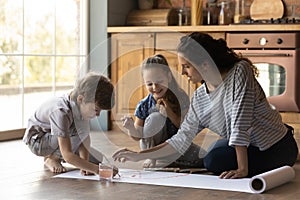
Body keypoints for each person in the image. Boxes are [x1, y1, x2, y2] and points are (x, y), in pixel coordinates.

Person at [113, 32, 299, 178]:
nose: (183, 72)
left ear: (204, 63)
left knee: (214, 160)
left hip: (276, 145)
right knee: (211, 157)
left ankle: (284, 158)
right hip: (248, 145)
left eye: (186, 66)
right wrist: (139, 155)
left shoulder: (239, 72)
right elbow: (181, 138)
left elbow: (240, 121)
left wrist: (242, 169)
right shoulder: (200, 97)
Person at [23, 72, 117, 176]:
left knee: (97, 160)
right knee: (75, 132)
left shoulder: (81, 106)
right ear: (81, 99)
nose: (98, 115)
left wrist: (85, 165)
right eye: (96, 110)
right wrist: (97, 170)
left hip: (57, 137)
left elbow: (84, 138)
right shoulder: (61, 112)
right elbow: (67, 154)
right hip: (38, 142)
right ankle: (52, 159)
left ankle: (55, 157)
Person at [121, 54, 204, 168]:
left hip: (175, 146)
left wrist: (169, 113)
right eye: (149, 84)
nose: (155, 87)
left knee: (204, 157)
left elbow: (184, 127)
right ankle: (153, 157)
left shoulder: (180, 97)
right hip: (151, 148)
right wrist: (131, 128)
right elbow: (138, 136)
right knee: (155, 118)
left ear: (169, 77)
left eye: (159, 81)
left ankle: (170, 159)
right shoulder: (144, 105)